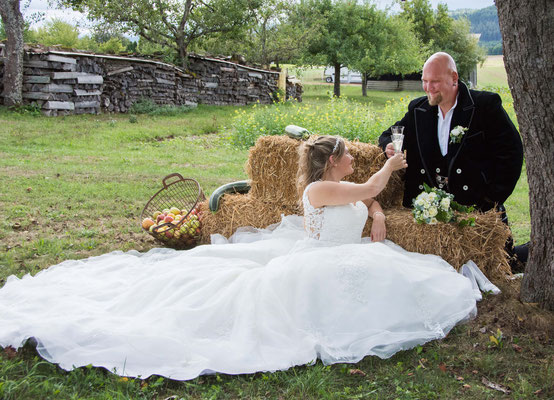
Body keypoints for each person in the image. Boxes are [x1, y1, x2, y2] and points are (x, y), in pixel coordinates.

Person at [0, 136, 494, 381]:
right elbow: (366, 187)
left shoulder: (330, 186)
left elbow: (364, 196)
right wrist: (388, 166)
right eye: (346, 155)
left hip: (344, 251)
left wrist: (378, 212)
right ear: (332, 162)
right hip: (325, 260)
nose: (351, 159)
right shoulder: (324, 186)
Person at [378, 52, 527, 268]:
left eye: (435, 81)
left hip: (476, 210)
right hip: (431, 214)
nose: (429, 87)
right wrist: (388, 146)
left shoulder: (484, 106)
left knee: (498, 270)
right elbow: (388, 135)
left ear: (454, 78)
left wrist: (490, 198)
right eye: (425, 81)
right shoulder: (418, 109)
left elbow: (511, 152)